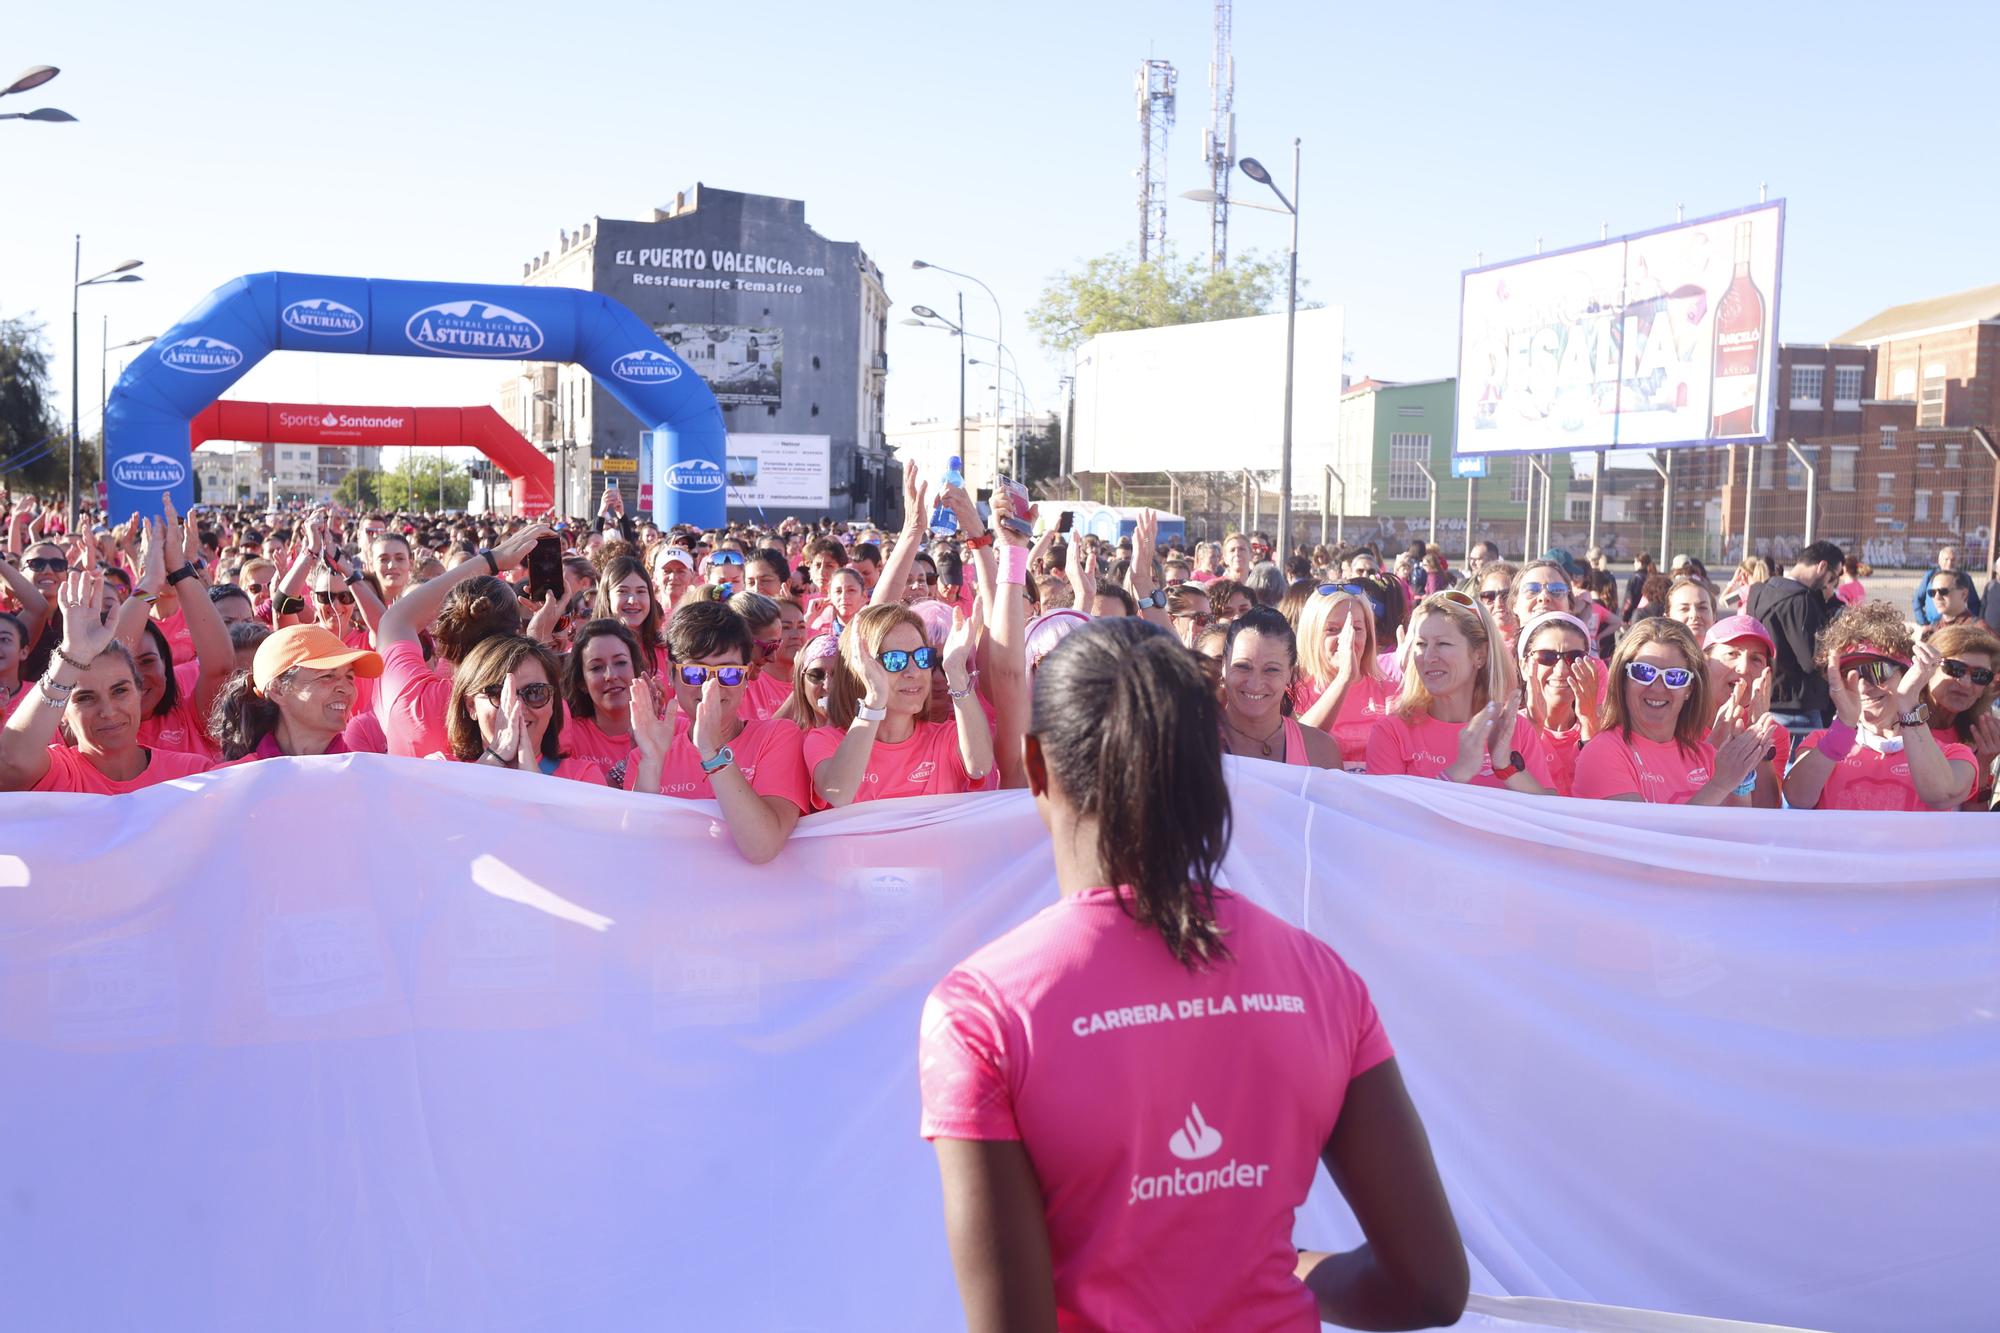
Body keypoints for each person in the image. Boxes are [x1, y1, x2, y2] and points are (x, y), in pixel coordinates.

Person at [920, 617, 1468, 1333]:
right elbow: (1430, 1286)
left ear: (1034, 763)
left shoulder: (983, 1012)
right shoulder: (1320, 976)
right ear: (1207, 764)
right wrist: (1289, 1267)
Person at [624, 601, 811, 862]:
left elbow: (762, 847)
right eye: (695, 673)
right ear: (670, 673)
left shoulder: (778, 736)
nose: (711, 686)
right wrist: (652, 765)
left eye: (728, 674)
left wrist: (713, 754)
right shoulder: (648, 754)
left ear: (747, 676)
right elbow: (633, 853)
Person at [0, 568, 216, 793]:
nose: (108, 711)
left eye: (120, 691)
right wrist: (71, 657)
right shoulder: (57, 776)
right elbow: (11, 762)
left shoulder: (193, 773)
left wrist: (172, 573)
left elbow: (219, 667)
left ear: (138, 691)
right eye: (85, 698)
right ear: (62, 715)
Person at [376, 525, 551, 759]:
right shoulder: (538, 700)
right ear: (516, 631)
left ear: (443, 630)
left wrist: (493, 559)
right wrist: (538, 642)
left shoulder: (414, 704)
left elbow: (394, 620)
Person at [1784, 604, 1977, 812]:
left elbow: (1941, 795)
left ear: (1905, 675)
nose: (1863, 686)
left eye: (1876, 671)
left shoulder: (1953, 754)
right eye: (1848, 675)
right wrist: (1844, 726)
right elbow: (1797, 797)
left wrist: (1908, 702)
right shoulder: (1822, 743)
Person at [1365, 591, 1554, 792]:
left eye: (1443, 644)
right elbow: (1382, 817)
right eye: (1421, 644)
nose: (1428, 657)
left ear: (1479, 655)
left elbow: (1549, 814)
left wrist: (1506, 766)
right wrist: (1457, 772)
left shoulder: (1512, 728)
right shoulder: (1392, 731)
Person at [807, 602, 991, 806]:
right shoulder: (824, 741)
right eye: (895, 660)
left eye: (922, 657)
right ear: (858, 669)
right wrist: (875, 698)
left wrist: (956, 671)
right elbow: (838, 793)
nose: (913, 672)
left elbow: (980, 766)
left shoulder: (946, 737)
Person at [1571, 618, 1769, 805]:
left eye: (1675, 677)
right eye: (1644, 672)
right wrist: (1719, 785)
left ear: (1690, 688)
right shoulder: (1601, 753)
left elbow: (1736, 833)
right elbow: (1643, 837)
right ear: (1624, 680)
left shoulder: (1705, 755)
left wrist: (1741, 775)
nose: (1658, 687)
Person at [208, 624, 386, 760]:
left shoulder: (367, 778)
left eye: (349, 677)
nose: (346, 689)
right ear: (277, 690)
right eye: (327, 676)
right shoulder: (238, 782)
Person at [442, 634, 604, 782]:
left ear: (552, 702)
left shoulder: (582, 777)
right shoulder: (441, 770)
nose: (517, 707)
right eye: (499, 694)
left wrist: (532, 780)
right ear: (471, 705)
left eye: (535, 692)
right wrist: (496, 755)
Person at [1217, 607, 1341, 768]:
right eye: (1242, 666)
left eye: (1271, 670)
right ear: (1223, 666)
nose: (1255, 684)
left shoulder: (1320, 751)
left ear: (1290, 672)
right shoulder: (1190, 743)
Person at [1291, 586, 1395, 771]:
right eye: (1333, 629)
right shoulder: (1293, 691)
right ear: (1312, 634)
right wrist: (1343, 679)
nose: (1347, 638)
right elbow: (1295, 744)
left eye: (1356, 628)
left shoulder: (1389, 690)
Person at [1746, 540, 1843, 732]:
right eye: (1832, 577)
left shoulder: (1760, 591)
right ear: (1822, 567)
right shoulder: (1802, 600)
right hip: (1798, 707)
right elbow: (1812, 660)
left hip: (1764, 698)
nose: (1830, 585)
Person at [1701, 615, 1791, 809]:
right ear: (1704, 662)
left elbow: (1765, 811)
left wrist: (1758, 736)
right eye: (1732, 654)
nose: (1743, 669)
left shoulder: (1776, 735)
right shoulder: (1677, 720)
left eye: (1756, 659)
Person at [1515, 611, 1601, 797]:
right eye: (1547, 657)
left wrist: (1589, 725)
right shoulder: (1506, 730)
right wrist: (1533, 732)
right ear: (1524, 666)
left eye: (1574, 658)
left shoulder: (1607, 732)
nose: (1561, 670)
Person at [1918, 621, 2000, 810]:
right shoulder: (1898, 722)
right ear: (1929, 667)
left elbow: (1974, 827)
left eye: (1980, 675)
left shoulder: (1977, 735)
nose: (1965, 682)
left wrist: (1982, 764)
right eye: (1955, 668)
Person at [560, 618, 648, 786]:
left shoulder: (670, 730)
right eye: (596, 668)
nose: (611, 675)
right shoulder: (568, 734)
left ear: (636, 670)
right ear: (582, 683)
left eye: (620, 662)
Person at [594, 554, 668, 675]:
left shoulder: (667, 650)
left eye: (640, 591)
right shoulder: (590, 651)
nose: (633, 600)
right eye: (622, 591)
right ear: (607, 596)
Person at [1912, 544, 1982, 627]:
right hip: (1932, 625)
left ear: (1958, 561)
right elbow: (1917, 600)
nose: (1949, 563)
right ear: (1939, 561)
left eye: (1953, 560)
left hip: (1956, 627)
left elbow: (1974, 604)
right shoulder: (1930, 576)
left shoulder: (1965, 578)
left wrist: (1969, 625)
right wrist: (1923, 622)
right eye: (1946, 559)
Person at [1919, 569, 1980, 638]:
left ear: (1964, 594)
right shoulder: (1930, 632)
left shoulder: (1978, 632)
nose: (1937, 597)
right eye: (1932, 592)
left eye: (1943, 591)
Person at [1665, 575, 1717, 644]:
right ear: (1667, 619)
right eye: (1684, 609)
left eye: (1702, 607)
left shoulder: (1730, 652)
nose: (1694, 614)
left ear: (1714, 616)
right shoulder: (1655, 654)